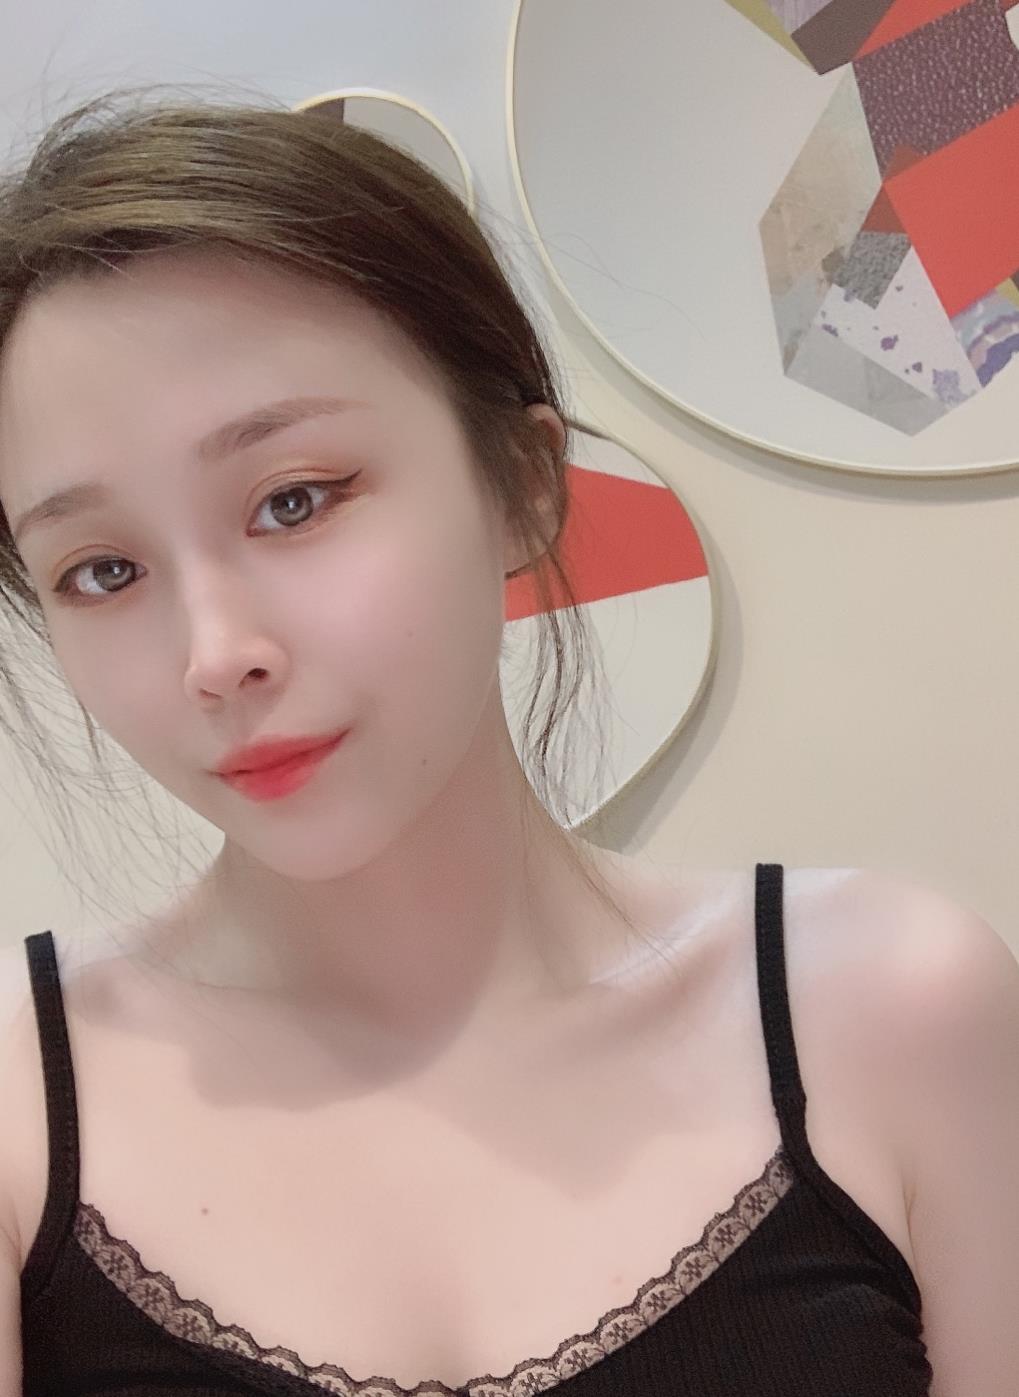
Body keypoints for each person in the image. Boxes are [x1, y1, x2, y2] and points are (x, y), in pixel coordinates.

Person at [0, 89, 1015, 1397]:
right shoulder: (20, 1104)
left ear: (525, 482)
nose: (215, 653)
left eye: (293, 501)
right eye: (101, 570)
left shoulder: (893, 1011)